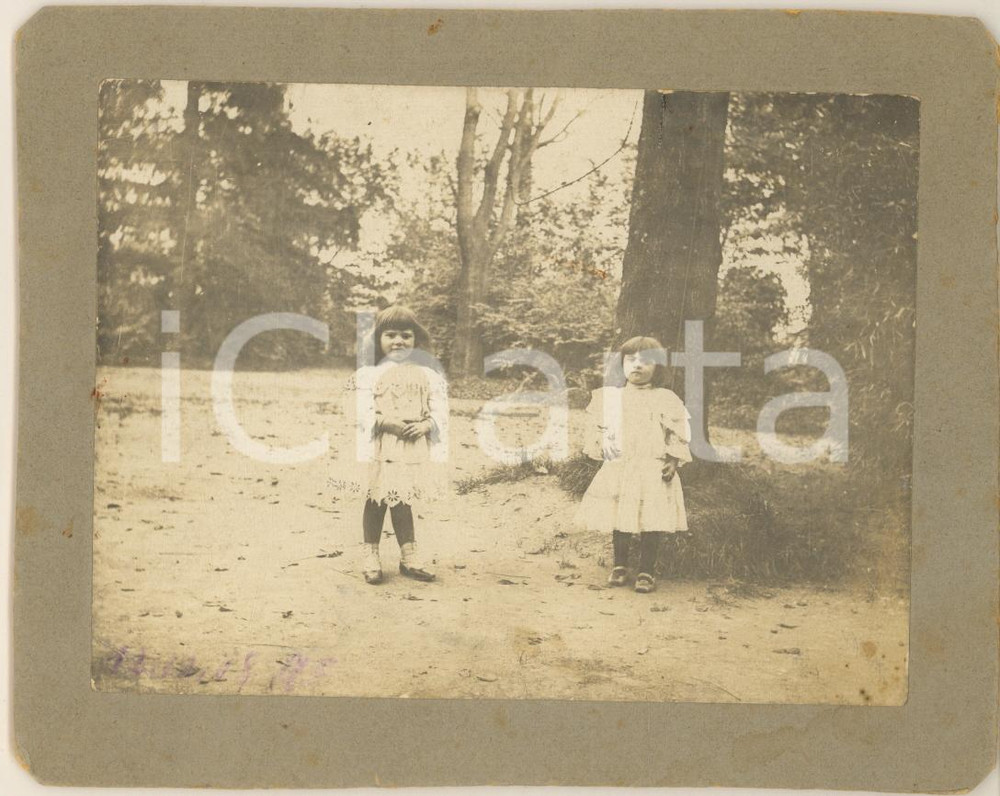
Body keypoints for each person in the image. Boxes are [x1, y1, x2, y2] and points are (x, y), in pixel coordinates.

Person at [577, 336, 691, 593]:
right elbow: (598, 428)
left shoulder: (665, 398)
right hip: (622, 465)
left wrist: (673, 460)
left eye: (646, 361)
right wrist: (604, 444)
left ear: (658, 367)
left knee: (652, 518)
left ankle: (647, 571)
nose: (637, 366)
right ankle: (620, 566)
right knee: (620, 514)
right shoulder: (612, 398)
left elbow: (677, 432)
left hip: (652, 466)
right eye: (631, 360)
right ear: (621, 365)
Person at [343, 305, 448, 585]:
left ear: (416, 340)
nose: (399, 341)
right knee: (375, 499)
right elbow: (354, 410)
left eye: (406, 335)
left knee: (403, 499)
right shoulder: (367, 375)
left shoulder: (428, 375)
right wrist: (383, 422)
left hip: (410, 447)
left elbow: (440, 411)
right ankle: (371, 555)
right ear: (378, 339)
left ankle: (409, 556)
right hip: (377, 446)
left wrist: (427, 425)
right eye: (390, 335)